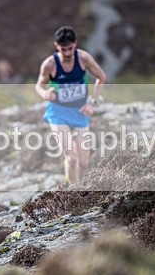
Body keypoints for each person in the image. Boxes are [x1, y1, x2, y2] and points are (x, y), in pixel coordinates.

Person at [35, 26, 106, 184]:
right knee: (72, 158)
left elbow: (101, 77)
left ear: (75, 43)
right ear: (56, 46)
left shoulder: (83, 58)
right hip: (58, 112)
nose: (67, 53)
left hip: (80, 111)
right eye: (63, 49)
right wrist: (45, 94)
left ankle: (80, 186)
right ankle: (73, 192)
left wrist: (91, 102)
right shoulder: (49, 64)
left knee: (84, 163)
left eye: (70, 48)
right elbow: (38, 85)